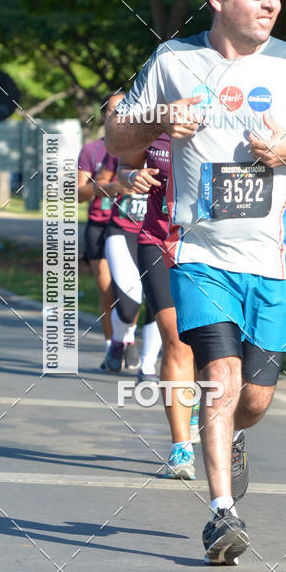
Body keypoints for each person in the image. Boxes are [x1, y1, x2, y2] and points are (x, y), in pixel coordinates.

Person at [106, 0, 286, 565]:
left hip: (275, 261)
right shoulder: (172, 61)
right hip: (200, 254)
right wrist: (160, 119)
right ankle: (222, 514)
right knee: (220, 377)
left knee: (255, 400)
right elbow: (119, 142)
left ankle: (234, 438)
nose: (272, 1)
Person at [117, 135, 198, 479]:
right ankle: (181, 447)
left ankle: (195, 405)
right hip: (158, 240)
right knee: (176, 340)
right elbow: (125, 168)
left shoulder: (230, 119)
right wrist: (130, 178)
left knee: (209, 345)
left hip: (211, 247)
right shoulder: (155, 126)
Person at [94, 128, 163, 379]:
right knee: (129, 305)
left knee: (160, 304)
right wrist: (123, 182)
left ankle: (147, 367)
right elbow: (98, 186)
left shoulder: (172, 151)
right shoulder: (123, 149)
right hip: (123, 231)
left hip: (161, 234)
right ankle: (119, 341)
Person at [77, 94, 123, 368]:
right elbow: (78, 193)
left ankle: (128, 340)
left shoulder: (146, 146)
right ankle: (112, 348)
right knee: (107, 290)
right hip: (100, 224)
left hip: (134, 227)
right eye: (115, 110)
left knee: (130, 291)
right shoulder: (91, 150)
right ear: (105, 114)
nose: (120, 115)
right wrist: (112, 187)